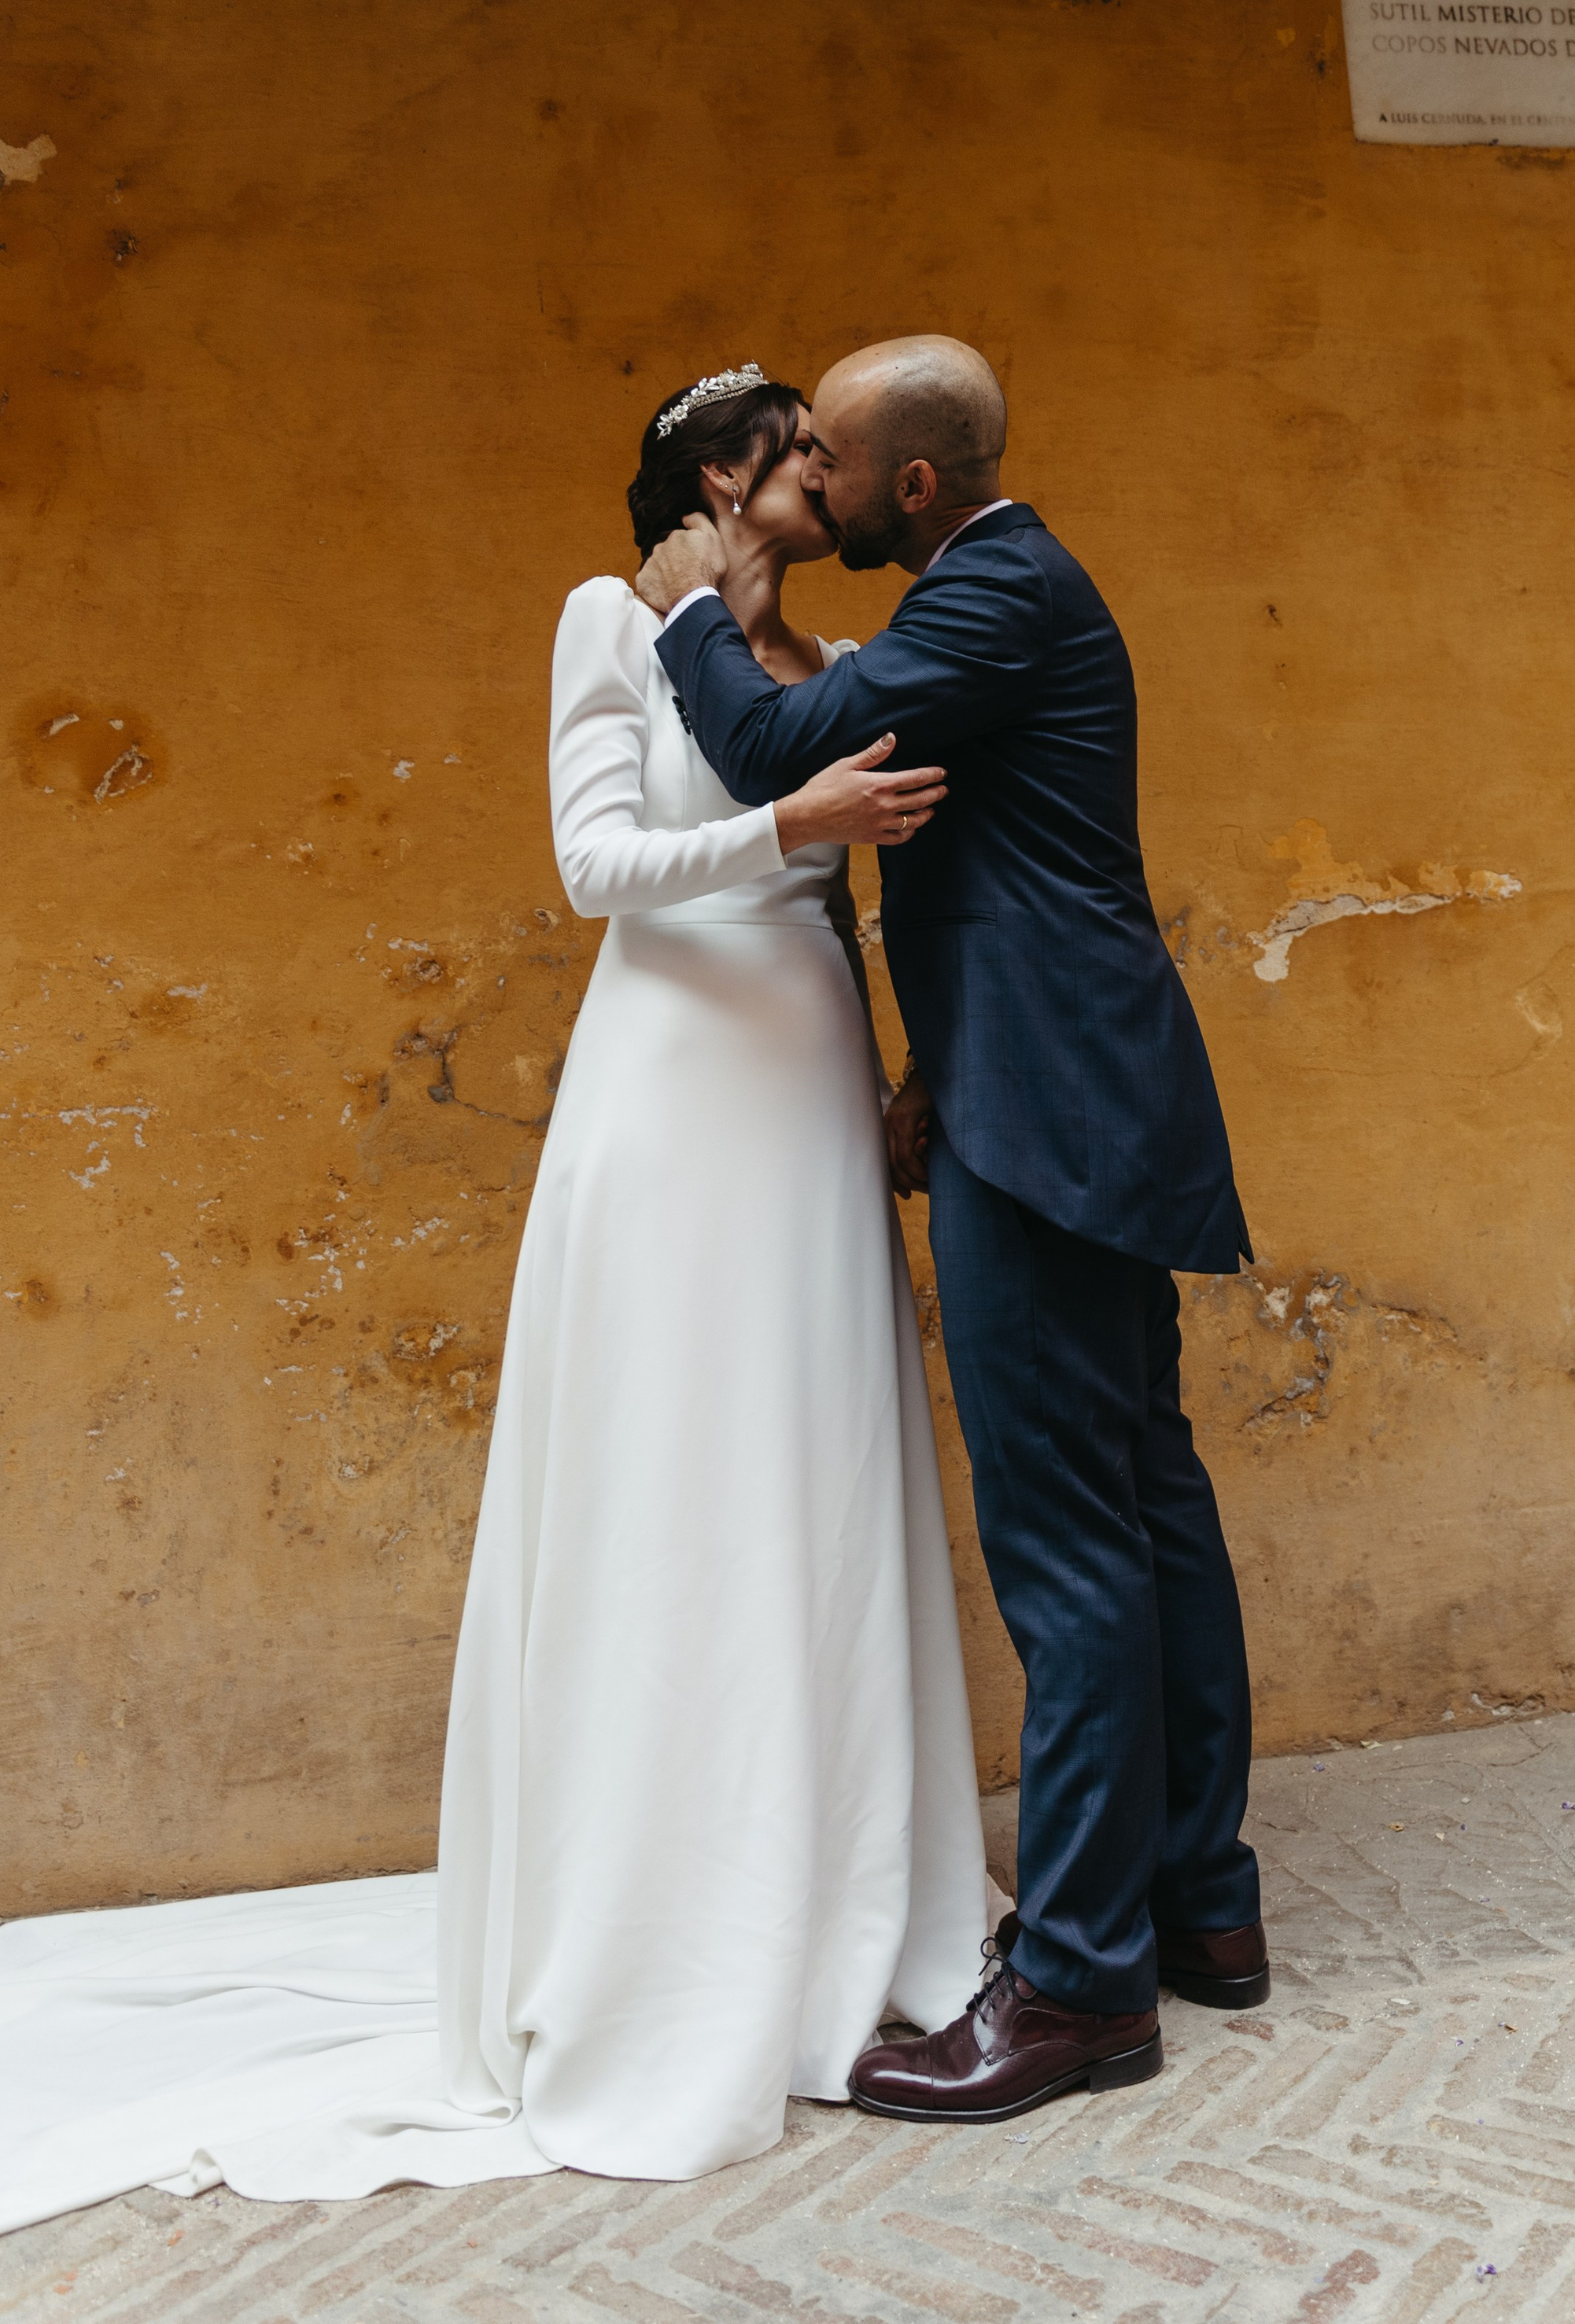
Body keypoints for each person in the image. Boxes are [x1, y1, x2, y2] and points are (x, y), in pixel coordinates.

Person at [0, 366, 996, 2231]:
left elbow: (878, 891)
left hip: (803, 1075)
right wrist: (790, 835)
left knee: (819, 1460)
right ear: (719, 477)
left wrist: (889, 1063)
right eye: (796, 450)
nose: (823, 476)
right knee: (672, 1479)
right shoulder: (605, 625)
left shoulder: (829, 657)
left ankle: (842, 1903)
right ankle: (655, 1931)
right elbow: (593, 866)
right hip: (673, 1087)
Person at [641, 334, 1267, 2128]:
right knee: (1145, 1504)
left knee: (1071, 1547)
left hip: (1050, 1122)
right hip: (1054, 1088)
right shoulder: (995, 588)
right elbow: (995, 860)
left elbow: (771, 744)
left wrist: (700, 608)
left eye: (826, 464)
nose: (811, 487)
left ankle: (1075, 1984)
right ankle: (1197, 1911)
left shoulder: (991, 593)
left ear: (907, 486)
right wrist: (936, 1062)